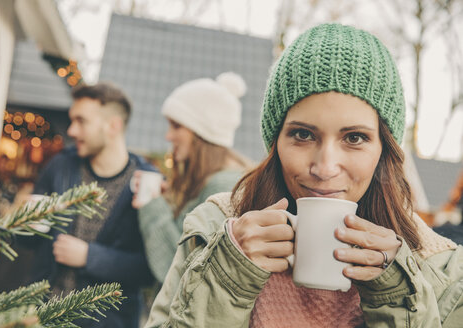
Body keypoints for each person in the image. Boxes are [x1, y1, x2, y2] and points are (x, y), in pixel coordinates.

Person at [144, 24, 463, 327]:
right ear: (275, 141)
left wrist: (397, 294)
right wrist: (228, 274)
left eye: (354, 138)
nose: (325, 168)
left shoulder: (441, 267)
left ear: (384, 148)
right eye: (302, 134)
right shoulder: (215, 227)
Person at [29, 83, 155, 328]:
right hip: (43, 317)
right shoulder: (60, 166)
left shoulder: (146, 181)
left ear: (113, 126)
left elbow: (149, 269)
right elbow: (30, 243)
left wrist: (90, 256)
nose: (72, 130)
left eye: (81, 121)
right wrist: (26, 221)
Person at [131, 72, 253, 284]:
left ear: (201, 134)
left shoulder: (223, 187)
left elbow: (180, 267)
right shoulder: (213, 180)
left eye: (176, 126)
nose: (168, 136)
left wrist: (152, 206)